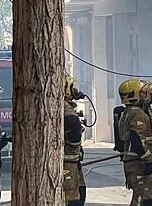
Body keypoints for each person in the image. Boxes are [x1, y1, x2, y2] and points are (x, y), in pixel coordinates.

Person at [117, 79, 152, 206]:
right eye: (142, 92)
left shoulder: (128, 112)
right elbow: (137, 140)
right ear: (134, 94)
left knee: (143, 197)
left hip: (133, 162)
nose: (145, 94)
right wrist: (148, 159)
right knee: (142, 199)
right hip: (138, 163)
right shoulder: (137, 114)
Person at [63, 76, 87, 206]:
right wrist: (74, 145)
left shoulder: (65, 106)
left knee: (80, 190)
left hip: (73, 160)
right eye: (72, 87)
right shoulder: (65, 107)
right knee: (72, 197)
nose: (74, 91)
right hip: (68, 161)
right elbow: (73, 125)